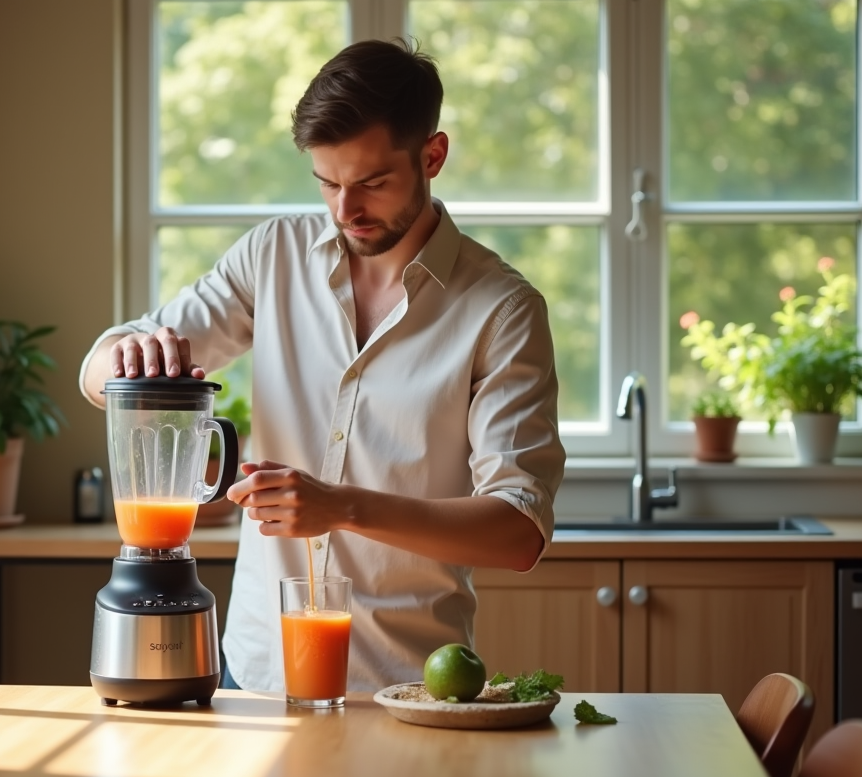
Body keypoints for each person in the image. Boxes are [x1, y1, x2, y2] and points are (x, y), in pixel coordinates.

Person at [79, 38, 565, 693]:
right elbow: (98, 372)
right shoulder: (271, 256)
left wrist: (342, 506)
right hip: (253, 677)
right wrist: (124, 358)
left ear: (433, 156)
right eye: (328, 183)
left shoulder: (501, 309)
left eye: (372, 183)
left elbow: (517, 533)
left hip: (407, 692)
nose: (345, 210)